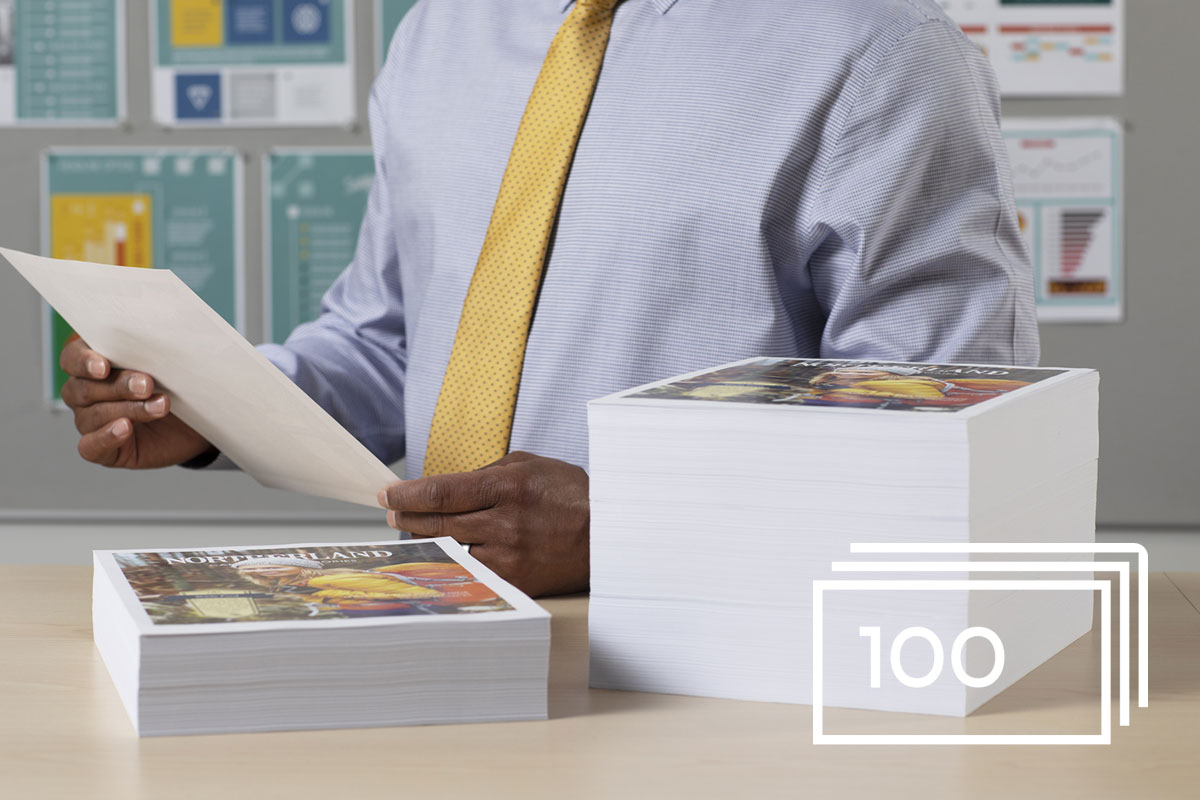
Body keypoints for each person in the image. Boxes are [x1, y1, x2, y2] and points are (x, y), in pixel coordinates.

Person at [58, 0, 1038, 598]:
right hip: (442, 615)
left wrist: (630, 530)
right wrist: (196, 401)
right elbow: (390, 339)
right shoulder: (441, 30)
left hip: (719, 653)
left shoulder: (882, 48)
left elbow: (938, 445)